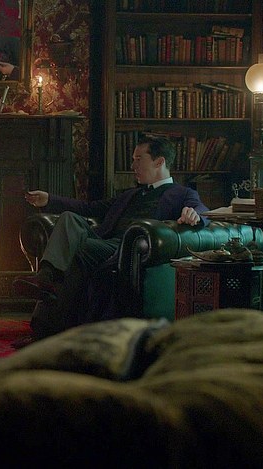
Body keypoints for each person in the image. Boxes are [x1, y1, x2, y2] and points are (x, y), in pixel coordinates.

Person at [13, 135, 209, 339]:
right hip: (104, 242)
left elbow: (202, 210)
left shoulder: (182, 194)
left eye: (138, 159)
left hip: (127, 250)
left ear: (159, 162)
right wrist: (49, 200)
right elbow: (89, 208)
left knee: (77, 251)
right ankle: (45, 278)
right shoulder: (130, 195)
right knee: (69, 218)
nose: (133, 165)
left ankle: (45, 329)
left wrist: (194, 214)